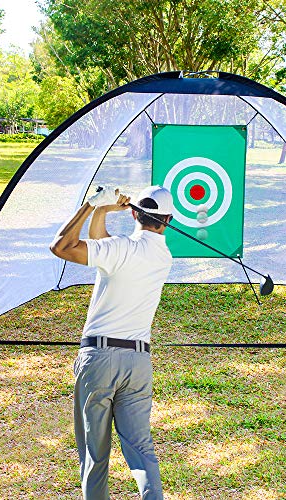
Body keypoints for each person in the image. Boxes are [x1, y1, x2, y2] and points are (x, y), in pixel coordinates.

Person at [50, 185, 174, 500]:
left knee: (95, 453)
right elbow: (103, 245)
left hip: (99, 360)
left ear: (133, 213)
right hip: (138, 363)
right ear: (168, 220)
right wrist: (103, 212)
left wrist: (91, 205)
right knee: (141, 449)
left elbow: (62, 247)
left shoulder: (119, 250)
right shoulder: (162, 256)